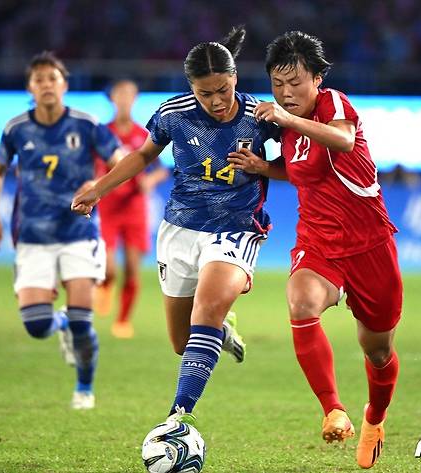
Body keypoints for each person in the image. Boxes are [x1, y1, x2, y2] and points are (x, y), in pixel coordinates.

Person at [72, 26, 279, 425]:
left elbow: (299, 167)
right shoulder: (174, 114)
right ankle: (222, 331)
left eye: (223, 89)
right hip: (181, 228)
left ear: (235, 76)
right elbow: (141, 156)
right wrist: (99, 188)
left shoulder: (261, 116)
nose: (217, 101)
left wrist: (264, 167)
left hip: (236, 225)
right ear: (191, 88)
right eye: (206, 93)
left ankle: (177, 419)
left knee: (208, 307)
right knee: (183, 342)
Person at [228, 31, 402, 469]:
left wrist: (286, 120)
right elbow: (301, 171)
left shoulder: (333, 105)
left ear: (318, 79)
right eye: (277, 84)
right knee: (300, 300)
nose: (286, 94)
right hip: (318, 241)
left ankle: (374, 418)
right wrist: (264, 167)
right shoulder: (286, 124)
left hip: (370, 245)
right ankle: (332, 409)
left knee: (377, 350)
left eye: (296, 83)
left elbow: (340, 141)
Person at [0, 51, 120, 410]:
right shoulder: (16, 128)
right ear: (30, 87)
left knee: (82, 319)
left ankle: (84, 389)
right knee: (36, 324)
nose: (46, 84)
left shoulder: (86, 124)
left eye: (52, 78)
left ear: (65, 85)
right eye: (39, 79)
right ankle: (57, 326)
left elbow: (120, 159)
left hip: (80, 232)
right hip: (33, 236)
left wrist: (99, 181)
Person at [93, 79, 169, 339]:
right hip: (109, 207)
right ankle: (105, 283)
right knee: (109, 267)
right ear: (111, 98)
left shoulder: (142, 134)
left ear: (135, 99)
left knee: (133, 270)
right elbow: (93, 166)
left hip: (135, 208)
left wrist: (149, 180)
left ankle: (123, 321)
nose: (125, 98)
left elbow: (160, 170)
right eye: (120, 94)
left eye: (130, 94)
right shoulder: (103, 133)